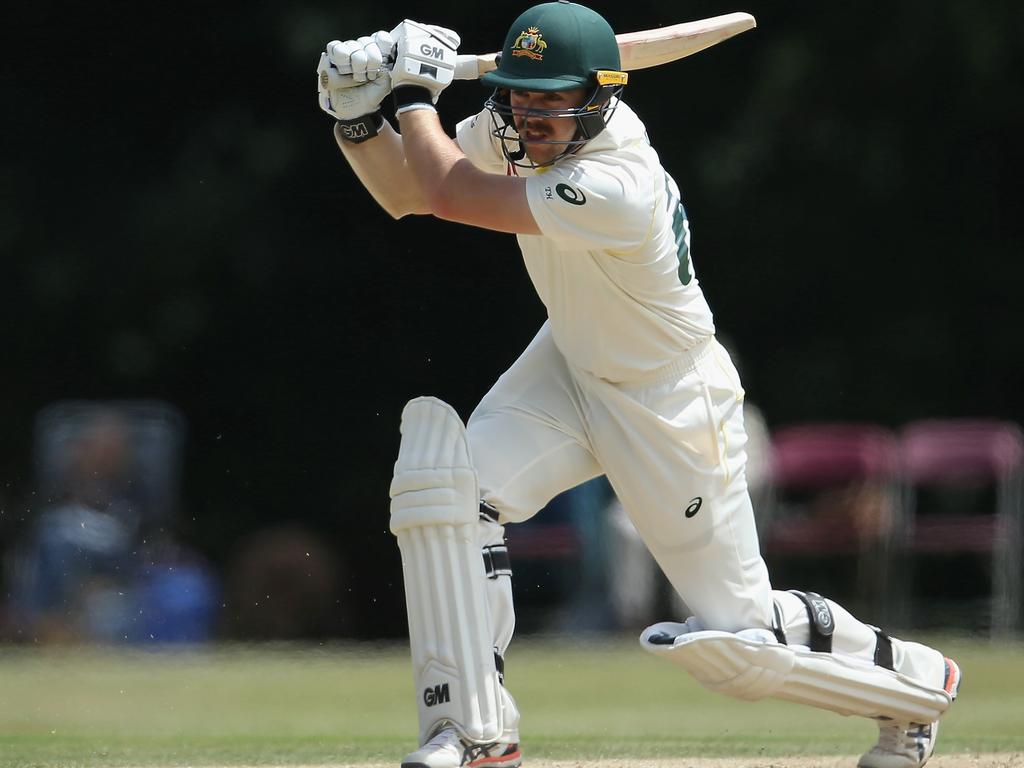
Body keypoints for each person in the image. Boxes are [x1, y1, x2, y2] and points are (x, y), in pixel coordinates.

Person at [316, 4, 961, 767]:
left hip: (668, 398)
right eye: (523, 99)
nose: (534, 120)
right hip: (568, 364)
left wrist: (415, 94)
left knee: (737, 640)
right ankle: (474, 732)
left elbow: (452, 192)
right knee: (447, 488)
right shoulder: (510, 125)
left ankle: (914, 684)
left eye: (554, 101)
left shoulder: (617, 182)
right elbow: (409, 192)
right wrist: (357, 115)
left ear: (600, 97)